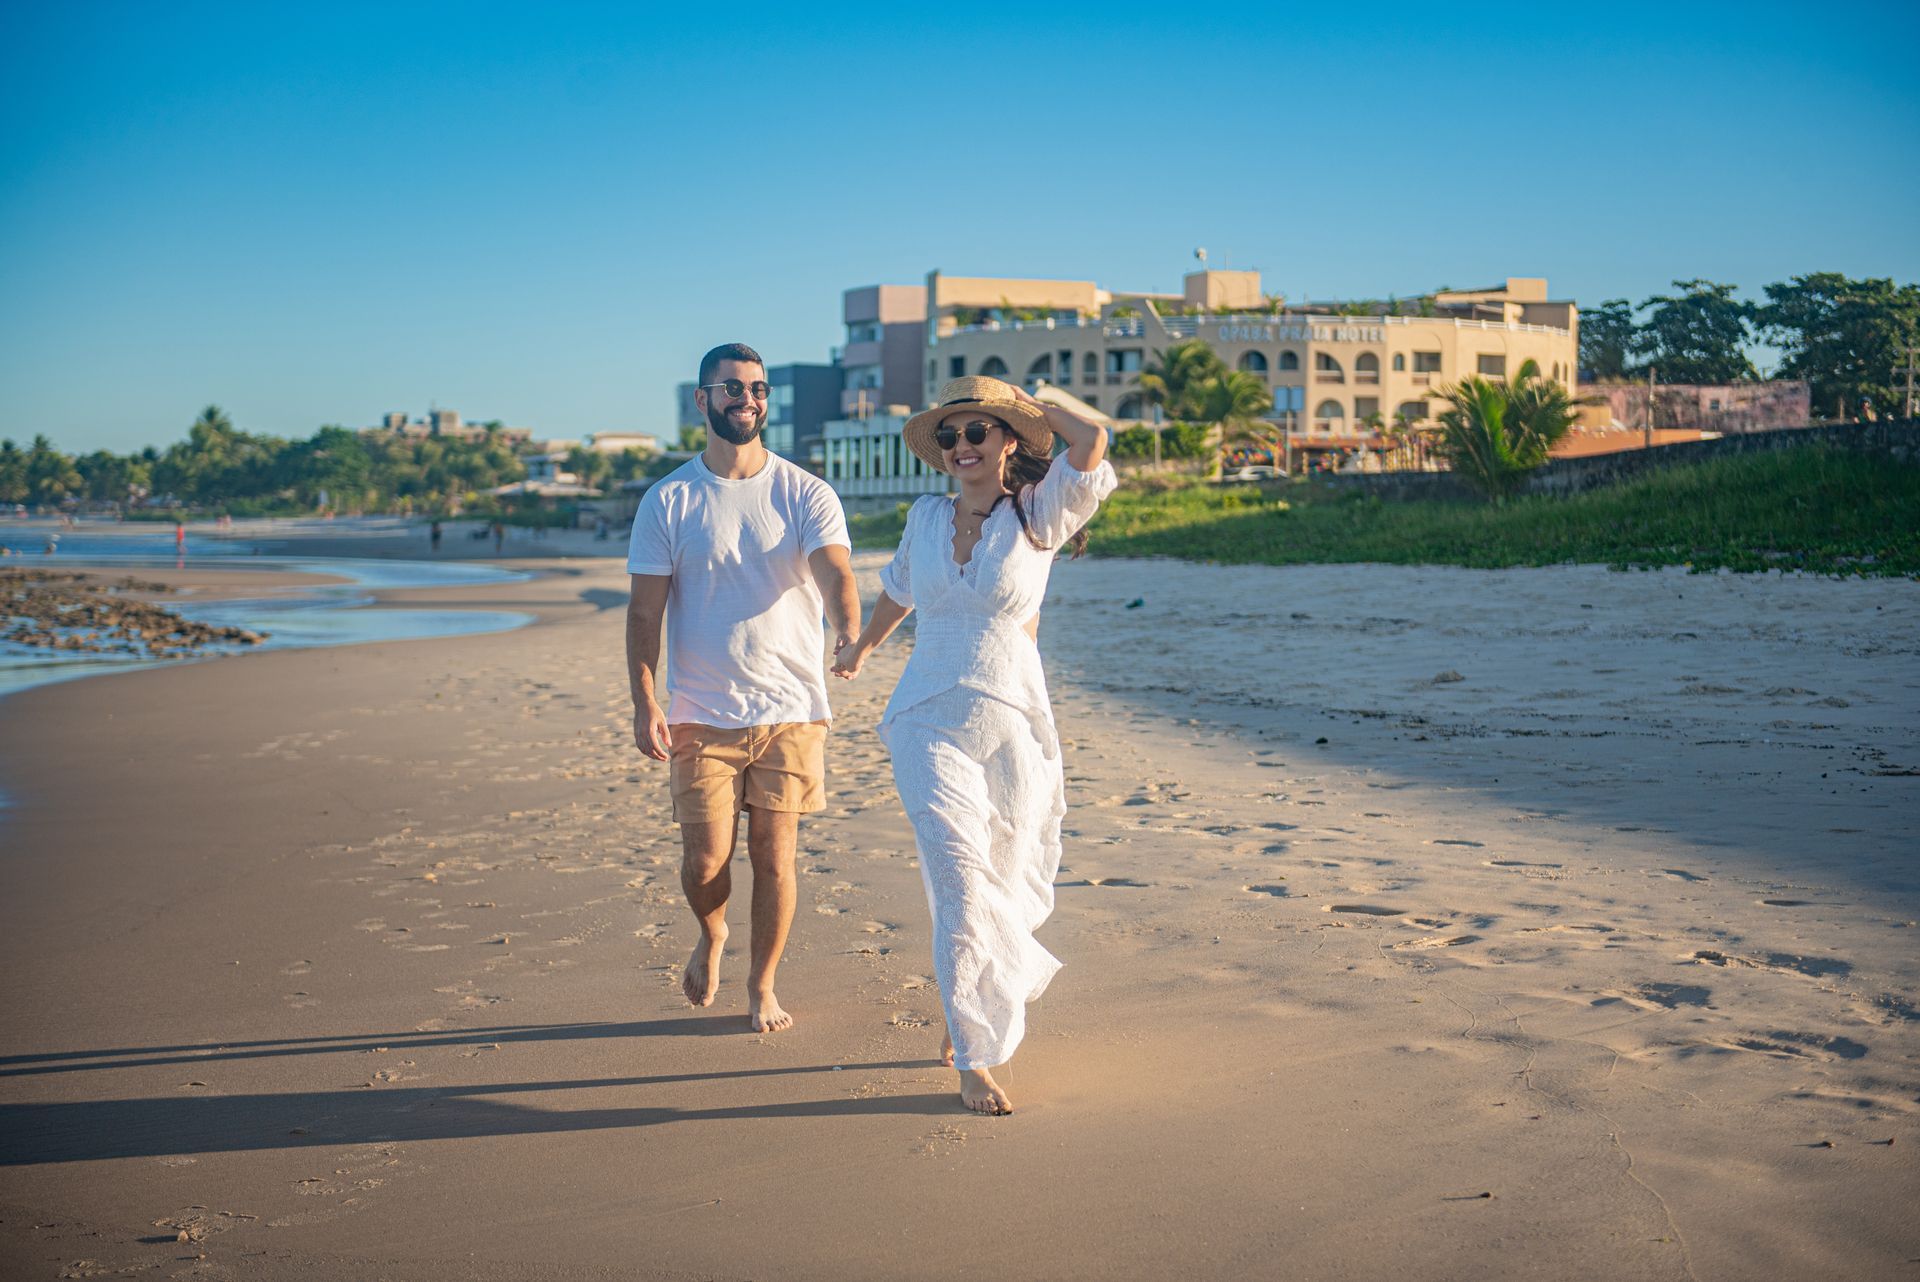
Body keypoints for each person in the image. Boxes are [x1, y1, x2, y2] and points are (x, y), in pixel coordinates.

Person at [832, 375, 1114, 1115]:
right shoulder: (926, 517)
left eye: (978, 431)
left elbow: (1092, 441)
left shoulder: (1039, 513)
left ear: (1008, 440)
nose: (962, 446)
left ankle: (986, 995)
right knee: (959, 878)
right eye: (951, 436)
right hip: (925, 713)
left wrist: (1038, 398)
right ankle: (974, 1050)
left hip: (1013, 718)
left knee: (1009, 875)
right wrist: (862, 647)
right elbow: (899, 587)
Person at [626, 342, 861, 1033]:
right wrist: (646, 700)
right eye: (732, 389)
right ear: (702, 400)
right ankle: (713, 933)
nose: (747, 400)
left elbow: (836, 572)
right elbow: (645, 613)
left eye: (757, 390)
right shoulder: (669, 498)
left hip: (790, 709)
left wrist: (847, 625)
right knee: (704, 864)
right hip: (700, 711)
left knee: (776, 857)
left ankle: (762, 986)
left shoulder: (804, 492)